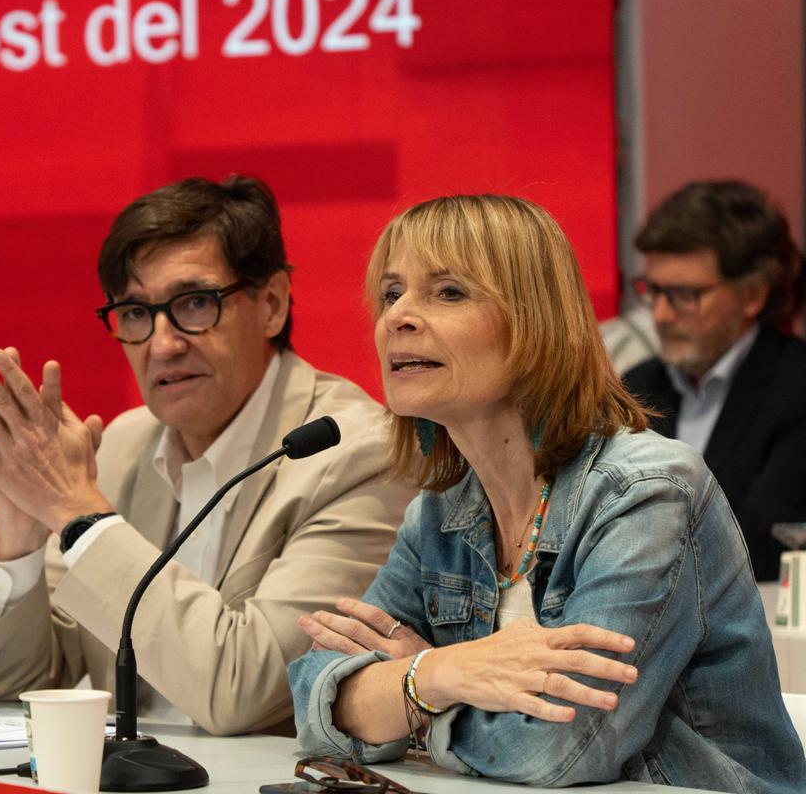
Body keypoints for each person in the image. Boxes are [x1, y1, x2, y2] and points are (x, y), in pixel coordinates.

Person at [289, 195, 804, 791]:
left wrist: (414, 698)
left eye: (448, 292)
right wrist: (437, 673)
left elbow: (561, 747)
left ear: (536, 321)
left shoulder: (644, 492)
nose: (398, 316)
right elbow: (314, 696)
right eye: (391, 292)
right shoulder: (439, 513)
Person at [0, 175, 414, 735]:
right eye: (137, 313)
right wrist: (19, 537)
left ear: (272, 304)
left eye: (195, 303)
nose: (162, 344)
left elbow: (249, 692)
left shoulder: (358, 453)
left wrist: (79, 515)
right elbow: (5, 682)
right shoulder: (123, 445)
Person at [623, 180, 806, 581]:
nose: (661, 315)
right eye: (652, 291)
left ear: (753, 294)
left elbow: (761, 543)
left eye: (684, 294)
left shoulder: (796, 386)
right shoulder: (637, 385)